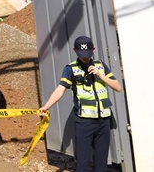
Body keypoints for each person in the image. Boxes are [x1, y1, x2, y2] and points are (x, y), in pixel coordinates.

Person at [39, 35, 123, 172]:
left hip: (103, 121)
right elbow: (60, 89)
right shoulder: (70, 69)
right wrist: (46, 106)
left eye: (88, 54)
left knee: (101, 162)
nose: (85, 57)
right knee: (82, 162)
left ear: (93, 50)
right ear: (75, 50)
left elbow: (118, 87)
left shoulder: (101, 66)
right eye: (81, 54)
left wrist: (100, 75)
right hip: (84, 122)